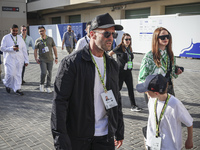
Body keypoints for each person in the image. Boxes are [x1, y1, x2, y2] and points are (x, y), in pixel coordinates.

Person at [51, 13, 124, 150]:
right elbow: (59, 103)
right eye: (107, 34)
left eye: (113, 35)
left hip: (105, 136)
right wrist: (60, 140)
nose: (111, 39)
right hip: (79, 136)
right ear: (92, 34)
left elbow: (116, 100)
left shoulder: (112, 65)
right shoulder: (71, 63)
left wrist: (119, 130)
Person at [136, 74, 193, 150]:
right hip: (152, 144)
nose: (145, 93)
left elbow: (189, 122)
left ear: (156, 93)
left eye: (147, 91)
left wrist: (189, 140)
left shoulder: (175, 104)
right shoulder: (152, 100)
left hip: (170, 146)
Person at [138, 27, 183, 103]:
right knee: (157, 114)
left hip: (168, 88)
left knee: (170, 113)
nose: (165, 38)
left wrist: (176, 71)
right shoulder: (149, 56)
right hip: (155, 90)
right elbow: (142, 77)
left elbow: (171, 73)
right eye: (162, 37)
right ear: (156, 38)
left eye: (167, 36)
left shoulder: (170, 54)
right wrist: (148, 92)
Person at [109, 33, 141, 112]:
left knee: (130, 89)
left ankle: (133, 105)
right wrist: (113, 64)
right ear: (123, 40)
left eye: (129, 39)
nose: (128, 41)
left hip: (128, 71)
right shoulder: (119, 47)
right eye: (126, 39)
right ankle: (111, 104)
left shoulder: (129, 48)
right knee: (117, 88)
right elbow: (110, 54)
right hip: (121, 72)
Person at [0, 24, 29, 95]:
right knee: (10, 74)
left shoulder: (20, 38)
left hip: (19, 59)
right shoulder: (6, 37)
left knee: (18, 75)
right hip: (9, 59)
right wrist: (11, 48)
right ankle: (7, 84)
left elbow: (24, 49)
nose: (15, 32)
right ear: (11, 29)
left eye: (16, 31)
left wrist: (26, 60)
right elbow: (2, 48)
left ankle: (17, 89)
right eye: (14, 31)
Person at [34, 25, 58, 93]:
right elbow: (35, 50)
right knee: (44, 72)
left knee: (49, 73)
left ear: (45, 31)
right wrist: (36, 58)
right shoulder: (37, 40)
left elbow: (54, 48)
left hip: (50, 59)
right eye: (40, 31)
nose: (41, 32)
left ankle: (48, 86)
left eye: (42, 31)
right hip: (42, 59)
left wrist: (56, 57)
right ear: (39, 32)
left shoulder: (50, 39)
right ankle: (41, 84)